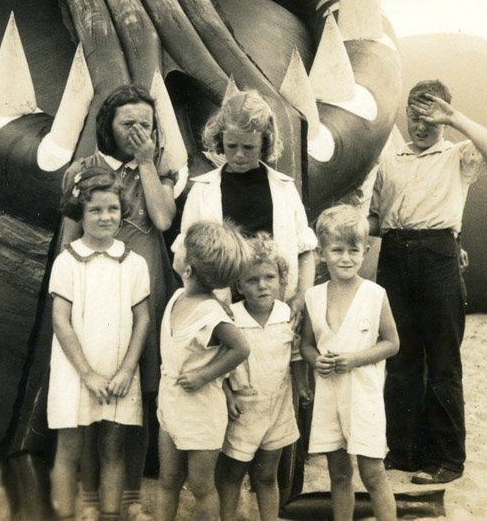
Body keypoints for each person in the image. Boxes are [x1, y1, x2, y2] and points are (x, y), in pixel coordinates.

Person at [369, 80, 487, 485]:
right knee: (401, 359)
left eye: (431, 116)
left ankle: (447, 459)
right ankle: (405, 452)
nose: (421, 123)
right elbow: (379, 218)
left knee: (443, 362)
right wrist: (353, 230)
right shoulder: (389, 159)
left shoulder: (459, 156)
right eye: (415, 114)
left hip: (438, 256)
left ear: (445, 117)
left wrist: (453, 118)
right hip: (395, 256)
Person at [60, 85, 178, 521]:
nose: (137, 131)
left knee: (138, 395)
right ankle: (90, 497)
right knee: (92, 395)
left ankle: (130, 499)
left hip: (145, 291)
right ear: (107, 125)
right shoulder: (80, 170)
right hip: (93, 292)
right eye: (128, 123)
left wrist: (147, 161)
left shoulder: (157, 168)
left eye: (145, 124)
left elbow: (163, 219)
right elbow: (67, 242)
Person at [48, 166, 152, 521]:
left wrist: (126, 371)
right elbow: (60, 320)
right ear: (80, 212)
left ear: (123, 211)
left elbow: (143, 320)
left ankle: (110, 514)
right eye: (95, 210)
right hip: (76, 370)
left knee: (112, 447)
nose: (105, 217)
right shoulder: (68, 261)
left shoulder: (134, 263)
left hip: (118, 369)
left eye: (112, 209)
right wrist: (87, 374)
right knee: (70, 449)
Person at [173, 90, 316, 312]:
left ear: (264, 143)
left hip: (276, 307)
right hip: (222, 309)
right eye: (231, 146)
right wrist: (208, 303)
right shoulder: (202, 191)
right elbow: (183, 258)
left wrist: (301, 297)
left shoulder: (284, 189)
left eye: (248, 147)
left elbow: (305, 249)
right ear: (221, 140)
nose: (239, 155)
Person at [300, 205, 399, 521]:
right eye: (337, 250)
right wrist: (317, 361)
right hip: (330, 395)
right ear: (321, 253)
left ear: (365, 251)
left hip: (363, 395)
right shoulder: (313, 297)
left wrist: (354, 359)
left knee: (372, 472)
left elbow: (392, 343)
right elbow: (306, 344)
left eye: (353, 250)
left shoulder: (374, 294)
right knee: (339, 472)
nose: (346, 258)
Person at [157, 221, 250, 521]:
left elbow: (241, 348)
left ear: (188, 270)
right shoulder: (177, 297)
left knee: (200, 485)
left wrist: (203, 375)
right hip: (171, 405)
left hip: (200, 412)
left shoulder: (211, 312)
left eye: (182, 246)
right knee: (168, 479)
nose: (177, 247)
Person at [215, 233, 301, 521]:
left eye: (270, 277)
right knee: (232, 474)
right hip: (244, 408)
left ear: (280, 279)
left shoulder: (287, 314)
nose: (263, 285)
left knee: (267, 475)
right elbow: (221, 366)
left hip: (277, 407)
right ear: (239, 285)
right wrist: (227, 398)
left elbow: (296, 357)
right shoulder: (232, 318)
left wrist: (303, 388)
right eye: (252, 280)